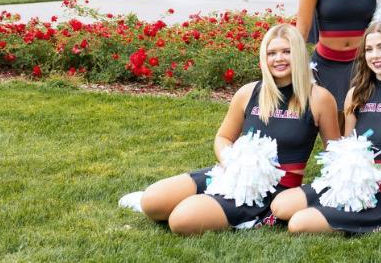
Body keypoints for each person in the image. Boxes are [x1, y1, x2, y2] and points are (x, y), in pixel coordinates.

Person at [138, 24, 340, 234]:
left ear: (298, 54)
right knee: (152, 201)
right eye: (272, 53)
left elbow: (334, 155)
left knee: (181, 221)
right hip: (232, 173)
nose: (278, 58)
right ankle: (199, 203)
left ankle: (206, 208)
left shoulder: (319, 98)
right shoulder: (248, 92)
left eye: (286, 51)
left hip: (270, 189)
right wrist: (233, 164)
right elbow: (223, 137)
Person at [270, 22, 381, 235]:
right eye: (369, 49)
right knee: (280, 205)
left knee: (297, 224)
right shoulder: (356, 94)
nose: (375, 55)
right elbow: (348, 148)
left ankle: (378, 219)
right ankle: (333, 210)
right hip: (351, 188)